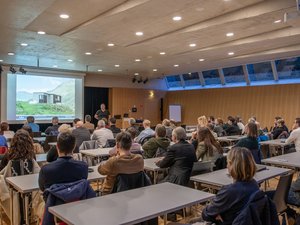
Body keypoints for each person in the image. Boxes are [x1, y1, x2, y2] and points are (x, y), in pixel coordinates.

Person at [202, 147, 259, 225]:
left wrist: (219, 214)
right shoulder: (254, 184)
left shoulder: (229, 191)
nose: (227, 166)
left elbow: (206, 215)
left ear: (231, 165)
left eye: (227, 163)